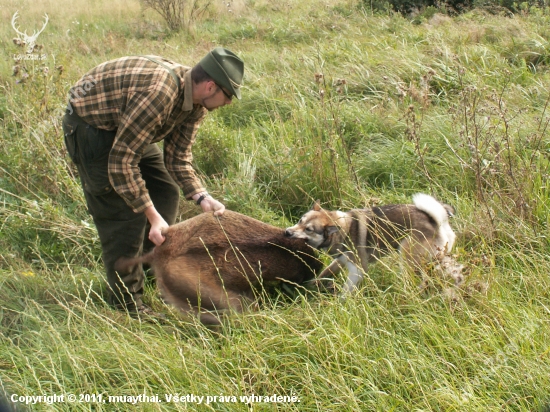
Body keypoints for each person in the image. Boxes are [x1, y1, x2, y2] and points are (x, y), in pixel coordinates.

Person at [62, 48, 244, 316]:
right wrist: (150, 214)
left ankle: (147, 265)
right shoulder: (159, 93)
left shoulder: (195, 103)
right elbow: (122, 162)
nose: (228, 102)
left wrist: (201, 197)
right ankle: (128, 305)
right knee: (124, 215)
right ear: (210, 86)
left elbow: (178, 157)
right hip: (93, 128)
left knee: (165, 188)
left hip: (127, 124)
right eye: (228, 96)